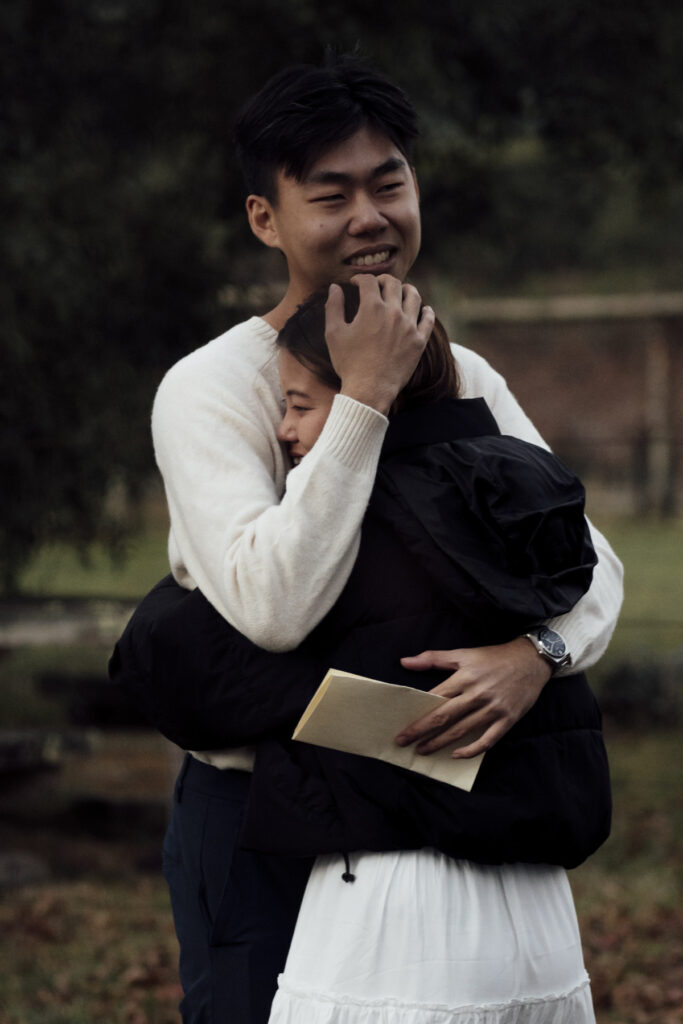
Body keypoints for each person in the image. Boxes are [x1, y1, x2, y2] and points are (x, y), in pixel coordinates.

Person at [117, 54, 623, 1023]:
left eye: (387, 182)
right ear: (266, 218)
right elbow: (272, 607)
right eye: (330, 193)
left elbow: (586, 563)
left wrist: (534, 653)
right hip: (259, 813)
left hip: (408, 823)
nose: (369, 216)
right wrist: (365, 399)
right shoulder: (213, 386)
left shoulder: (463, 372)